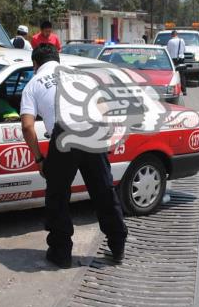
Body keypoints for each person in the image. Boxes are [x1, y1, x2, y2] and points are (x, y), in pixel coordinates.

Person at [20, 44, 128, 268]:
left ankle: (61, 254)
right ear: (58, 60)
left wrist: (40, 159)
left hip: (64, 135)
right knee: (103, 191)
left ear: (35, 64)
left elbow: (27, 127)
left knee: (57, 197)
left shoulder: (32, 85)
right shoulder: (80, 76)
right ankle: (117, 246)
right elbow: (104, 110)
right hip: (92, 131)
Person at [166, 30, 187, 96]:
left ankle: (173, 90)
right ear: (177, 34)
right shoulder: (182, 40)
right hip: (181, 59)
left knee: (173, 75)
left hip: (173, 60)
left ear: (172, 35)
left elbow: (168, 51)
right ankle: (184, 91)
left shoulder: (170, 41)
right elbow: (184, 50)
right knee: (182, 75)